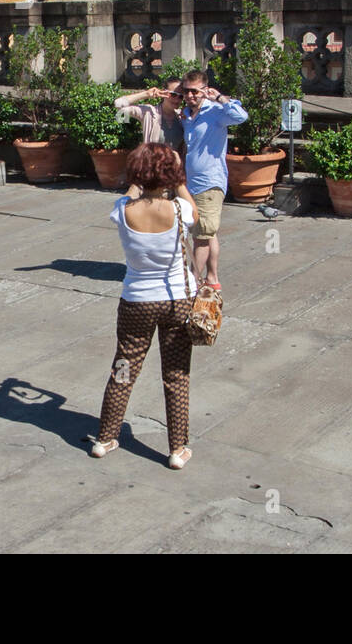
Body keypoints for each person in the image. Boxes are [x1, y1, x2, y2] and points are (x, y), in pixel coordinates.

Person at [93, 142, 198, 469]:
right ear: (170, 175)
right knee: (176, 374)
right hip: (177, 300)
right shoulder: (179, 210)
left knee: (123, 368)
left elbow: (132, 191)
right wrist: (178, 175)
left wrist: (140, 176)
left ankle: (105, 438)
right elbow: (197, 213)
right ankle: (177, 449)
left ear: (137, 173)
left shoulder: (123, 209)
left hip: (137, 300)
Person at [178, 69, 247, 291]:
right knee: (209, 233)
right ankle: (212, 279)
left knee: (201, 236)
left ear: (204, 89)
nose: (190, 96)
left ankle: (192, 283)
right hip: (192, 183)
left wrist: (218, 98)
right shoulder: (187, 114)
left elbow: (241, 116)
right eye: (187, 92)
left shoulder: (216, 111)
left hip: (210, 183)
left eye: (195, 92)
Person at [114, 77, 184, 150]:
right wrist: (146, 94)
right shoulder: (148, 112)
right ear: (163, 92)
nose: (176, 99)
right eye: (173, 94)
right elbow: (118, 104)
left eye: (181, 96)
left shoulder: (183, 116)